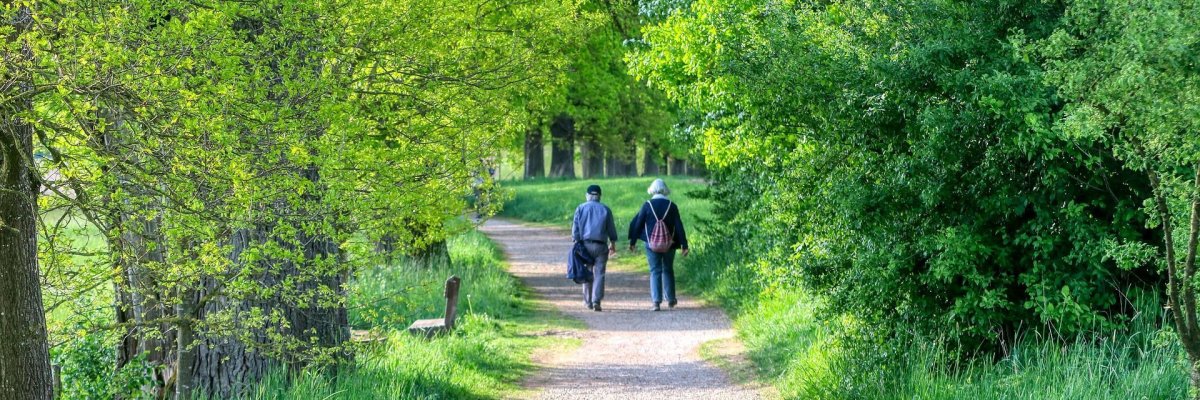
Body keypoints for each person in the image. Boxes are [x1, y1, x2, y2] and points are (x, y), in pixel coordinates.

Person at [628, 179, 689, 311]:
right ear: (665, 190)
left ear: (652, 189)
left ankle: (656, 302)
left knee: (655, 271)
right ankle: (671, 299)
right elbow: (679, 226)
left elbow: (638, 224)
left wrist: (633, 242)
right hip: (670, 244)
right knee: (668, 269)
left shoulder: (647, 205)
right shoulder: (672, 206)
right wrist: (684, 244)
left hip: (651, 244)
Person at [572, 184, 618, 311]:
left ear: (587, 195)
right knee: (600, 273)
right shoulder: (605, 209)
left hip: (585, 245)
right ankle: (596, 300)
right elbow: (611, 228)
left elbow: (575, 228)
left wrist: (576, 241)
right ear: (599, 196)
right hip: (601, 246)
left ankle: (587, 302)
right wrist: (613, 242)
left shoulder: (580, 208)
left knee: (587, 272)